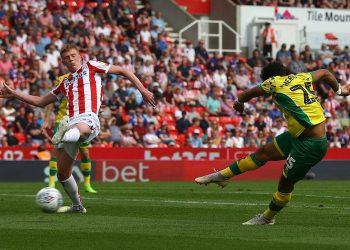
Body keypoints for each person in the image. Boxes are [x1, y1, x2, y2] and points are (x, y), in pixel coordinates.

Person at [0, 44, 155, 213]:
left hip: (88, 117)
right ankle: (77, 206)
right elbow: (40, 102)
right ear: (63, 62)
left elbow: (123, 71)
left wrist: (142, 89)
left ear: (80, 57)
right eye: (66, 58)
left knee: (80, 130)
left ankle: (64, 134)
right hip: (72, 120)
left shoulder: (91, 66)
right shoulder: (64, 82)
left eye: (73, 56)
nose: (70, 59)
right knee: (62, 173)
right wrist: (14, 93)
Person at [195, 61, 350, 225]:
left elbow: (248, 93)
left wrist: (239, 102)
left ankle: (267, 218)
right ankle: (221, 176)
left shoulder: (274, 81)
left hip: (310, 145)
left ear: (269, 77)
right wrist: (340, 91)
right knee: (263, 153)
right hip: (298, 136)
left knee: (285, 184)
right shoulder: (301, 77)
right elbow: (325, 72)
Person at [41, 73, 97, 193]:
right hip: (62, 118)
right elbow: (52, 100)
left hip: (80, 119)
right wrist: (46, 119)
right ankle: (51, 183)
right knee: (57, 150)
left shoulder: (86, 77)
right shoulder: (62, 79)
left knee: (85, 153)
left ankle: (87, 184)